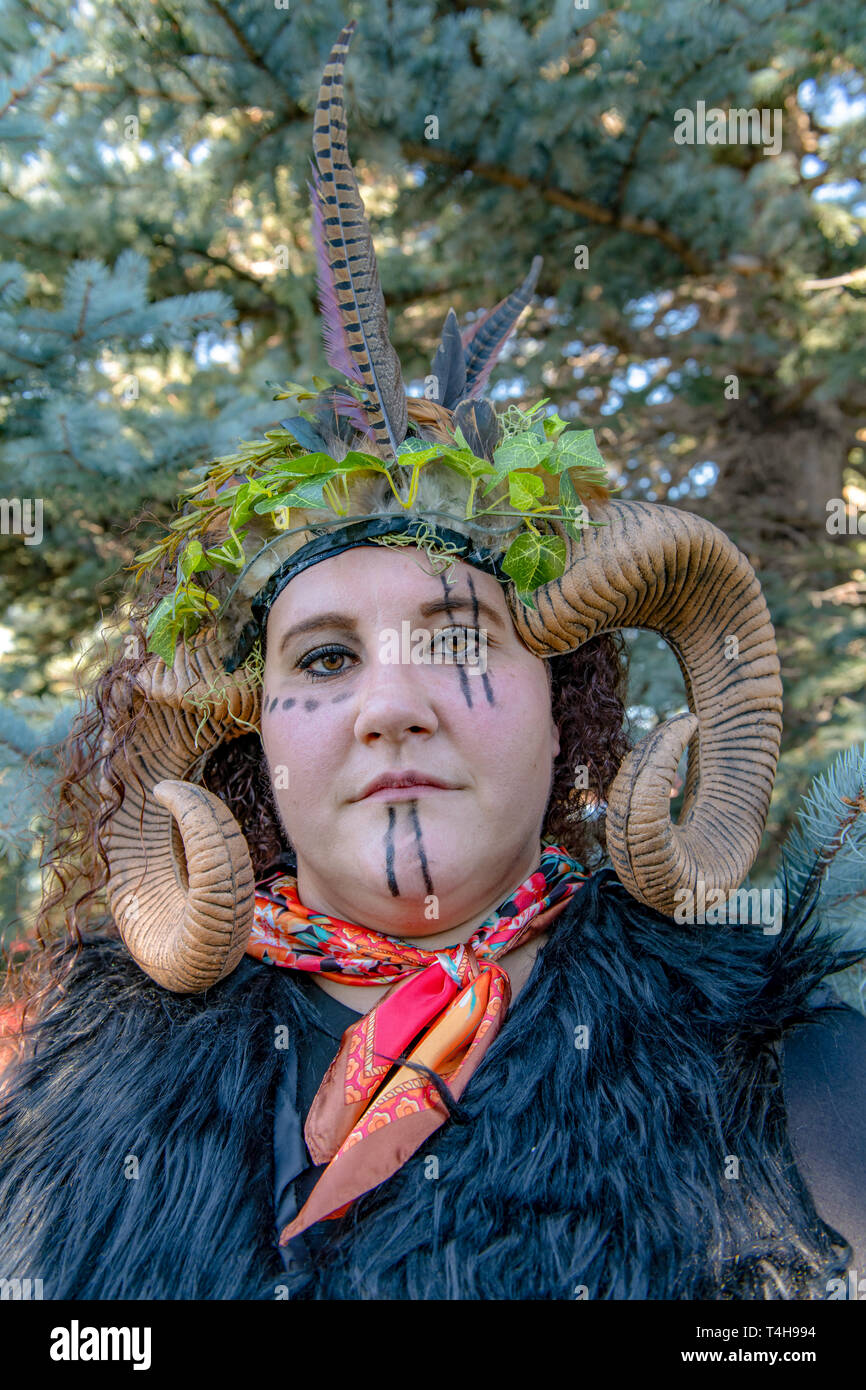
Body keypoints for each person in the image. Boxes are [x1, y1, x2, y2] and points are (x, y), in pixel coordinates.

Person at [0, 21, 863, 1302]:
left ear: (562, 713)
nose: (391, 705)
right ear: (254, 738)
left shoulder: (788, 1072)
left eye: (457, 639)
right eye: (327, 656)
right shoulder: (78, 1115)